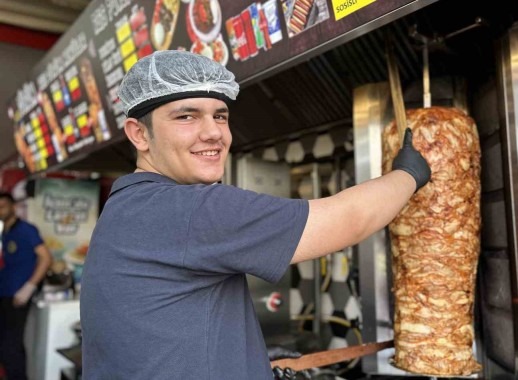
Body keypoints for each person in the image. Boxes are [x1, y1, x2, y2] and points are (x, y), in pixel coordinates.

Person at [79, 50, 431, 380]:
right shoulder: (188, 208)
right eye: (186, 116)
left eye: (220, 115)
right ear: (138, 133)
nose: (213, 132)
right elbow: (349, 219)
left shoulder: (126, 204)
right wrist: (408, 175)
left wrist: (243, 357)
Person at [0, 191, 53, 380]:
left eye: (3, 206)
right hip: (5, 294)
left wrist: (29, 287)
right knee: (6, 345)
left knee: (10, 346)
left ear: (13, 207)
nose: (0, 210)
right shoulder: (6, 231)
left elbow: (46, 258)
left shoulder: (26, 229)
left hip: (19, 295)